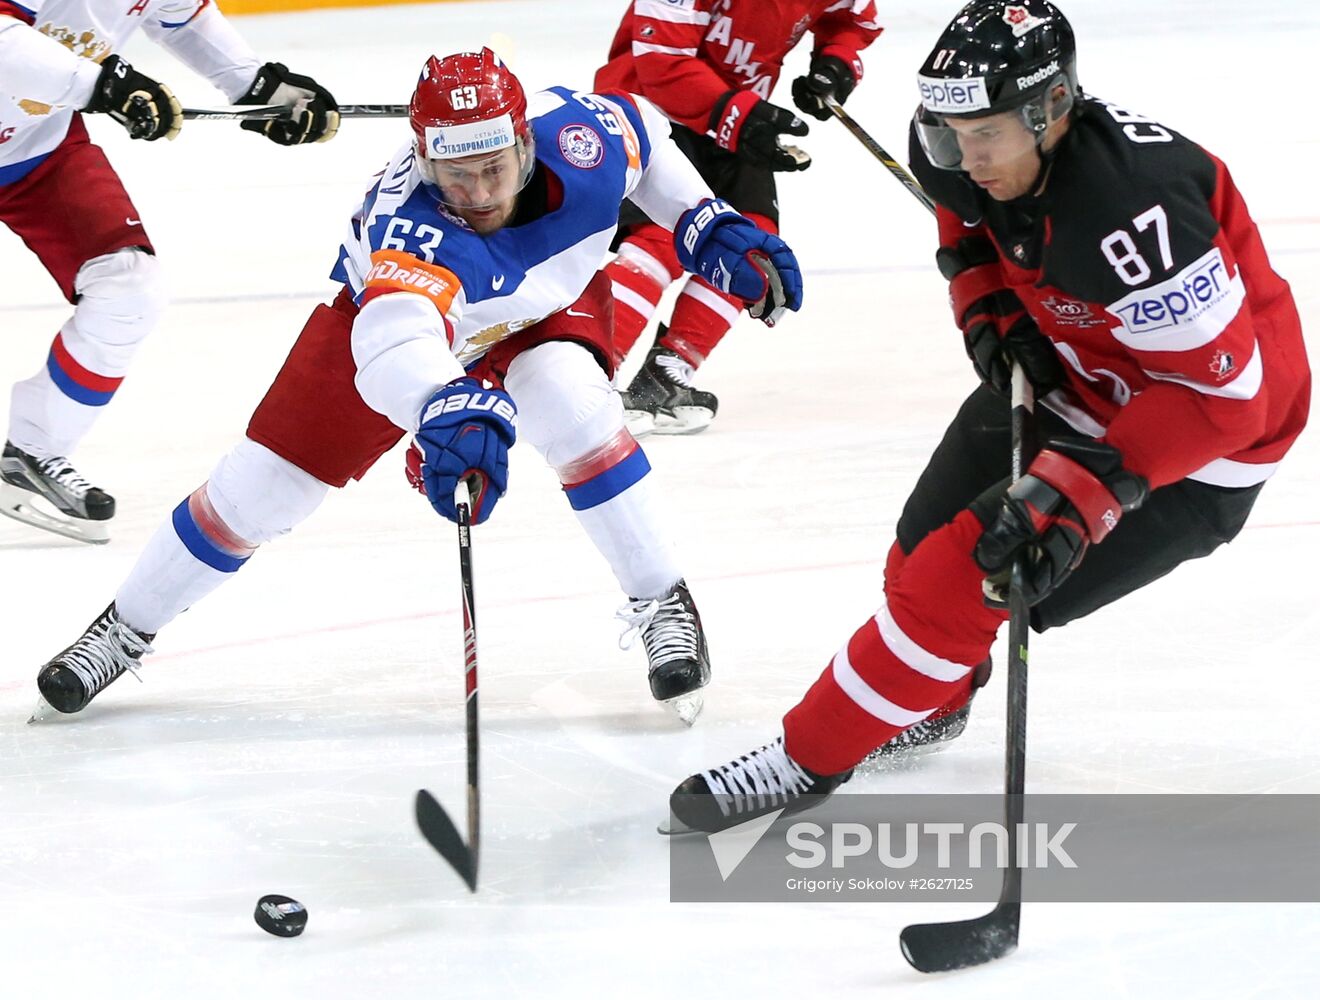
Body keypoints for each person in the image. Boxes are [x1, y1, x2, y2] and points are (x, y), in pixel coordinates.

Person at [667, 0, 1310, 832]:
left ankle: (804, 761)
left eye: (985, 137)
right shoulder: (958, 146)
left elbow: (1226, 403)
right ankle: (935, 691)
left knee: (960, 586)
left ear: (1051, 111)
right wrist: (993, 316)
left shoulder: (1135, 214)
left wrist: (1080, 496)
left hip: (1196, 441)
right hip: (1077, 376)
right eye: (949, 134)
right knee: (915, 554)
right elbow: (968, 232)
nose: (964, 159)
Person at [28, 49, 802, 725]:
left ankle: (662, 598)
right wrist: (442, 402)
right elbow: (393, 339)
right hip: (419, 332)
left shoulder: (584, 134)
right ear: (426, 162)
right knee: (258, 492)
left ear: (524, 141)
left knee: (573, 406)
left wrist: (702, 220)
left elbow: (648, 133)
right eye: (454, 175)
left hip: (538, 311)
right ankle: (124, 628)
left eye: (492, 168)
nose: (477, 192)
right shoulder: (410, 227)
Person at [0, 0, 339, 544]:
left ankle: (34, 450)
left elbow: (182, 16)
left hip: (35, 150)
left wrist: (259, 88)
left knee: (129, 286)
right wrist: (104, 84)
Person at [594, 0, 879, 435]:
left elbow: (855, 18)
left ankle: (665, 378)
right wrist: (743, 118)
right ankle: (585, 379)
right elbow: (662, 65)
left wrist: (835, 64)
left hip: (734, 112)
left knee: (752, 245)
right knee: (663, 238)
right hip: (651, 111)